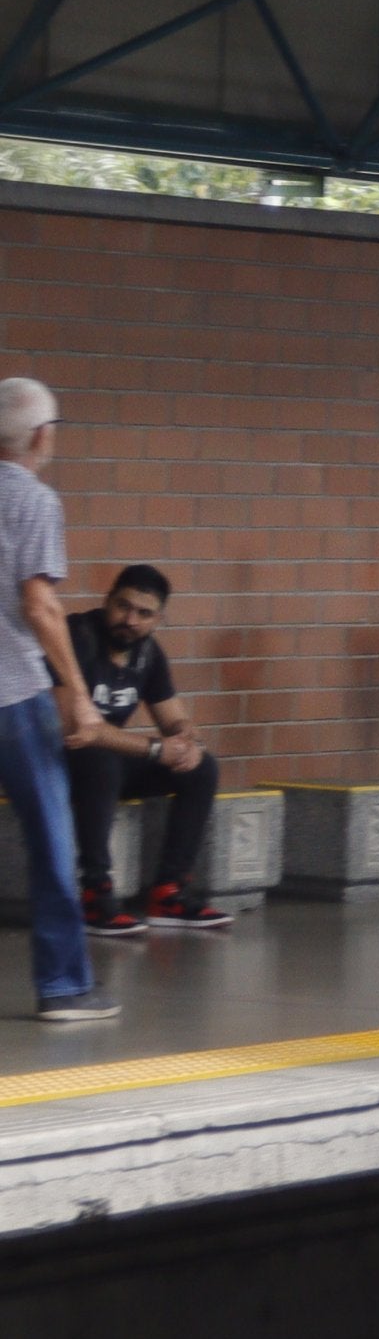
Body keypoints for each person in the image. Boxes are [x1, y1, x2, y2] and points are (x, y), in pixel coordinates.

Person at [0, 380, 107, 1021]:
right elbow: (39, 603)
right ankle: (65, 986)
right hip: (14, 695)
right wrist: (76, 692)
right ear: (42, 437)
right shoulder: (34, 500)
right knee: (50, 841)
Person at [68, 565, 229, 933]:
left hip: (100, 767)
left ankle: (168, 893)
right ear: (107, 602)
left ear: (158, 619)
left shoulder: (147, 653)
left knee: (202, 768)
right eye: (123, 606)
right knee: (100, 758)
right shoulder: (77, 638)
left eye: (144, 614)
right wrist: (156, 749)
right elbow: (78, 728)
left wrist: (188, 741)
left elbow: (173, 719)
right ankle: (94, 894)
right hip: (52, 763)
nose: (130, 620)